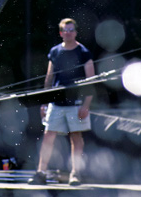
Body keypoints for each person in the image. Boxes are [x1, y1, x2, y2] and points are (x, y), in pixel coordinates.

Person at [28, 18, 95, 187]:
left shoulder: (84, 52)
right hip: (56, 103)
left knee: (76, 137)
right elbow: (49, 78)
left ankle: (75, 174)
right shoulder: (55, 52)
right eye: (65, 30)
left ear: (76, 32)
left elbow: (91, 81)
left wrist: (86, 105)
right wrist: (44, 103)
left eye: (71, 30)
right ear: (60, 33)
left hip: (76, 104)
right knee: (48, 136)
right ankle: (41, 172)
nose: (68, 33)